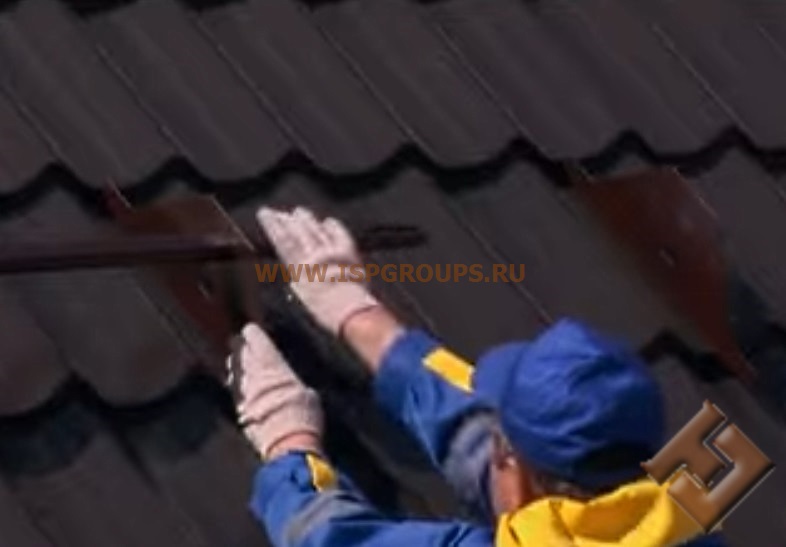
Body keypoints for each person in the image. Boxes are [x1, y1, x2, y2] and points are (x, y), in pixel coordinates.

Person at [226, 206, 725, 547]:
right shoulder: (691, 518)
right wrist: (358, 317)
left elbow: (327, 536)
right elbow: (480, 440)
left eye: (502, 445)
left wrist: (288, 442)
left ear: (520, 476)